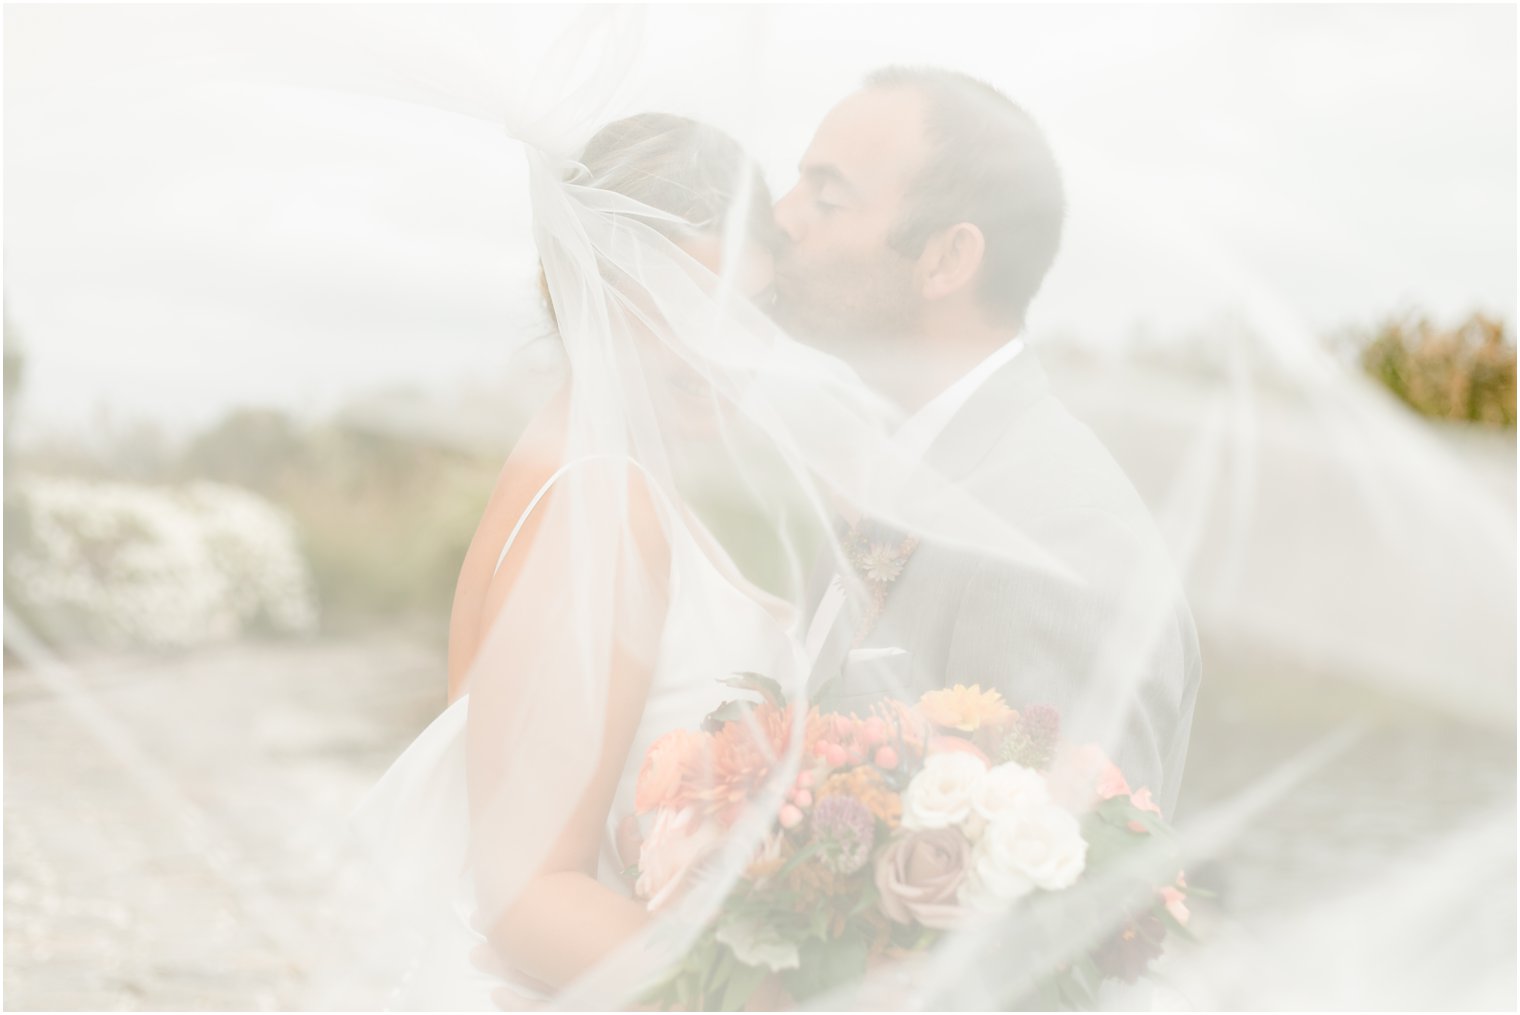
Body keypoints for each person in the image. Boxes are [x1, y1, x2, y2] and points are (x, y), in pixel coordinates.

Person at [774, 66, 1200, 816]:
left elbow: (1061, 908)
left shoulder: (1058, 537)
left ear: (946, 259)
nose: (781, 217)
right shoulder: (879, 474)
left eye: (827, 195)